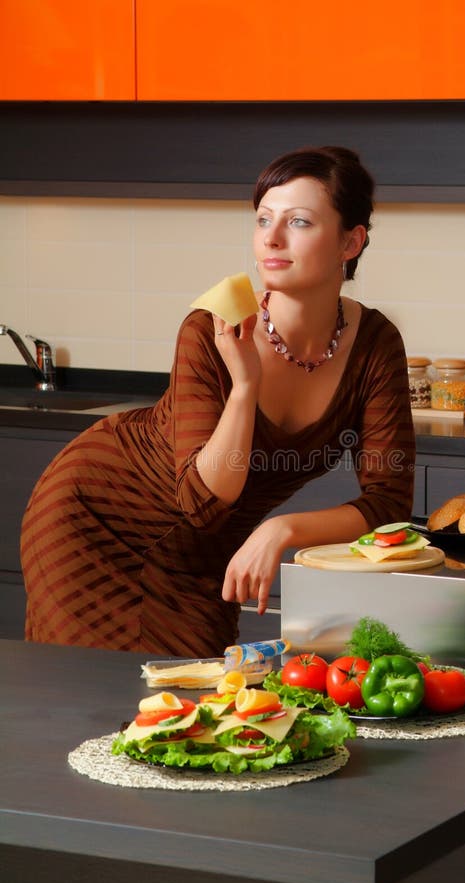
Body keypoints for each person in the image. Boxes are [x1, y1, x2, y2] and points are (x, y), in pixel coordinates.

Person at [22, 146, 415, 657]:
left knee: (203, 708)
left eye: (297, 221)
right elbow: (202, 502)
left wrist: (282, 528)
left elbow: (389, 504)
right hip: (94, 519)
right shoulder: (213, 330)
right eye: (263, 219)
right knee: (92, 702)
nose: (271, 239)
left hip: (205, 553)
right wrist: (245, 385)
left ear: (350, 241)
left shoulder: (375, 344)